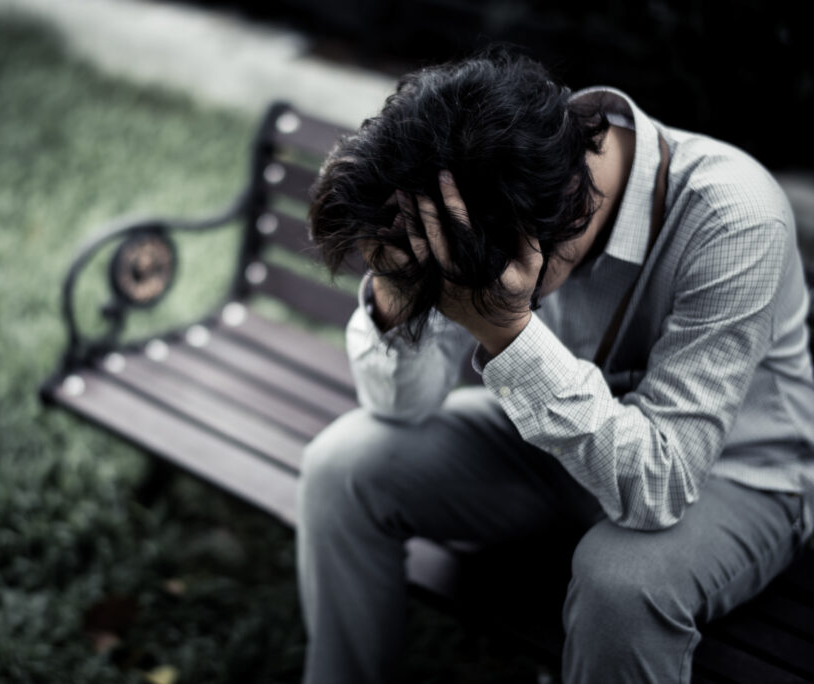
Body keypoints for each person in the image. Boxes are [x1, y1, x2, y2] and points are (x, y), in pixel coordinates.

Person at [297, 46, 814, 683]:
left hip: (736, 477)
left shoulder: (735, 216)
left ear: (559, 219)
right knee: (341, 465)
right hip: (566, 455)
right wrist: (396, 293)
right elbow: (400, 406)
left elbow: (661, 485)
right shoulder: (495, 170)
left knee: (620, 582)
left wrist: (508, 331)